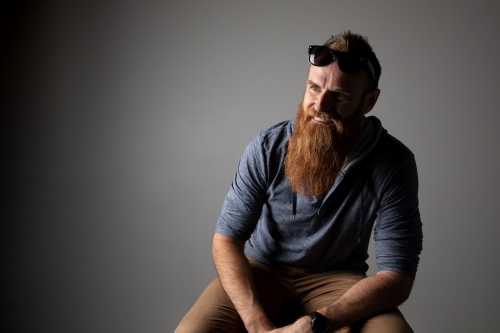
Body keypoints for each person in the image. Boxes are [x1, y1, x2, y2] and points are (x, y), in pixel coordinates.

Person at [175, 31, 422, 333]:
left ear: (368, 101)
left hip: (338, 278)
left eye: (339, 96)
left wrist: (316, 323)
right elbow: (226, 240)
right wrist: (256, 323)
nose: (320, 105)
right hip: (262, 270)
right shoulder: (268, 145)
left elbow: (397, 276)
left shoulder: (394, 162)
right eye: (313, 88)